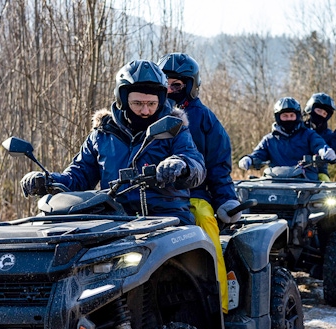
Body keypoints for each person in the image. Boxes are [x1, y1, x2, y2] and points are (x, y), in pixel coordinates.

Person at [20, 60, 206, 226]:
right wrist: (47, 180)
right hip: (114, 220)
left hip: (167, 219)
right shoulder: (102, 134)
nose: (145, 110)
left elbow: (195, 163)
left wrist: (181, 165)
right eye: (137, 103)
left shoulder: (174, 128)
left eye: (151, 103)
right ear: (123, 100)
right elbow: (78, 177)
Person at [158, 52, 240, 314]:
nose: (170, 90)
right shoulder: (148, 114)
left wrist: (226, 198)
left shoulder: (204, 119)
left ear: (191, 86)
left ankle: (220, 306)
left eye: (177, 85)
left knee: (206, 225)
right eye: (165, 84)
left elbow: (218, 165)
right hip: (148, 198)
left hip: (194, 194)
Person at [238, 97, 336, 181]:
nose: (289, 119)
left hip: (306, 184)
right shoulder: (269, 140)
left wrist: (324, 151)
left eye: (292, 115)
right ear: (278, 117)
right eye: (285, 116)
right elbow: (259, 154)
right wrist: (249, 159)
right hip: (275, 183)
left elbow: (318, 144)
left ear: (297, 117)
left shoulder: (309, 134)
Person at [304, 92, 336, 181]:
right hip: (293, 171)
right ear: (310, 109)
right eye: (318, 111)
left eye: (324, 113)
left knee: (326, 187)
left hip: (319, 173)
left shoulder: (328, 134)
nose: (320, 115)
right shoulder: (299, 129)